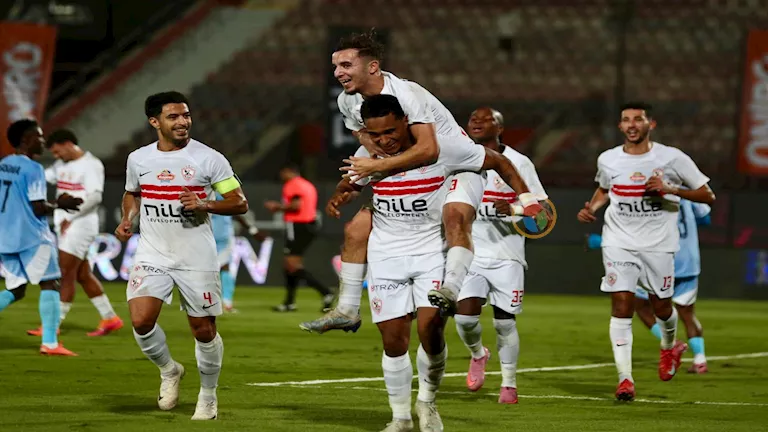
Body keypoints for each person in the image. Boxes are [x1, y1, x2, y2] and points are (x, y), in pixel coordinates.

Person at [300, 30, 545, 333]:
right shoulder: (347, 100)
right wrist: (353, 182)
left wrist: (528, 200)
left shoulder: (407, 95)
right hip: (410, 160)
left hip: (454, 164)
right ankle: (347, 309)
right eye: (336, 66)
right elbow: (365, 138)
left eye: (346, 65)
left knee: (454, 215)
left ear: (373, 67)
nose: (338, 73)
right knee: (357, 228)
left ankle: (450, 289)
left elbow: (431, 149)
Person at [330, 94, 537, 431]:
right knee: (393, 341)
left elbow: (498, 161)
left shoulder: (442, 149)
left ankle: (427, 401)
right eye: (375, 134)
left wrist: (525, 200)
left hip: (435, 254)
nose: (384, 141)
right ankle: (400, 418)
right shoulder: (368, 154)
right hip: (389, 257)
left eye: (390, 131)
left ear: (405, 122)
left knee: (432, 331)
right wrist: (342, 193)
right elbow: (351, 182)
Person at [115, 91, 248, 420]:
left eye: (186, 115)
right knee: (141, 322)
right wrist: (128, 218)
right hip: (153, 252)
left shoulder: (209, 159)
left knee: (203, 330)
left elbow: (239, 202)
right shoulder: (139, 159)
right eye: (173, 116)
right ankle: (169, 370)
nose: (183, 122)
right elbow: (132, 193)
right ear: (154, 121)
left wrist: (205, 204)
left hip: (196, 256)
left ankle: (208, 395)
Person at [577, 102, 716, 401]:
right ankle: (625, 379)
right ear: (620, 126)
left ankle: (669, 346)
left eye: (638, 119)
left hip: (659, 245)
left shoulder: (672, 158)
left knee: (662, 307)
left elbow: (708, 195)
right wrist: (593, 208)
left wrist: (670, 189)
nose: (631, 124)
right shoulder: (608, 159)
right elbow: (604, 188)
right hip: (618, 241)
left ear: (650, 124)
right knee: (621, 305)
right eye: (626, 119)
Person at [454, 107, 546, 405]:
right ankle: (478, 353)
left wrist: (516, 208)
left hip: (507, 256)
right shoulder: (459, 160)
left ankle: (509, 384)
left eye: (486, 119)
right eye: (473, 118)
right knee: (464, 319)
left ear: (500, 128)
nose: (477, 122)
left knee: (504, 324)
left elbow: (544, 212)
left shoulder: (519, 163)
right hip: (469, 252)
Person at [585, 198, 711, 373]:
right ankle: (700, 360)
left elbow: (634, 235)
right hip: (689, 262)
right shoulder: (687, 194)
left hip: (661, 259)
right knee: (687, 313)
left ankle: (672, 343)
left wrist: (599, 241)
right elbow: (706, 219)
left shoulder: (646, 199)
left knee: (641, 307)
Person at [26, 129, 123, 337]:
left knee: (64, 274)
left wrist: (71, 218)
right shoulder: (62, 164)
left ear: (68, 144)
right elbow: (44, 176)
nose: (56, 156)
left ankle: (52, 325)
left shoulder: (91, 165)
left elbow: (95, 198)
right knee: (82, 275)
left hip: (80, 225)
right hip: (66, 224)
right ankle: (110, 318)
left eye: (57, 151)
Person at [0, 119, 82, 356]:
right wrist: (60, 204)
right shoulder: (33, 169)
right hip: (31, 236)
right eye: (39, 136)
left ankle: (50, 341)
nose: (43, 141)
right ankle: (50, 343)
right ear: (26, 140)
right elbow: (37, 207)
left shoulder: (4, 163)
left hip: (5, 237)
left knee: (17, 290)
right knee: (51, 283)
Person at [265, 163, 334, 312]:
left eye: (283, 172)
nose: (281, 176)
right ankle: (289, 302)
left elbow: (296, 205)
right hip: (309, 225)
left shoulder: (292, 185)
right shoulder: (307, 184)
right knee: (290, 266)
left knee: (291, 265)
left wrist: (277, 207)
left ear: (289, 171)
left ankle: (326, 292)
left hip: (297, 225)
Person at [211, 194, 267, 312]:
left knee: (220, 267)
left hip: (213, 235)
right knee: (223, 267)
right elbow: (236, 212)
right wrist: (253, 231)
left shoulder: (205, 190)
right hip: (218, 234)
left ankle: (219, 301)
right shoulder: (224, 191)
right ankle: (224, 302)